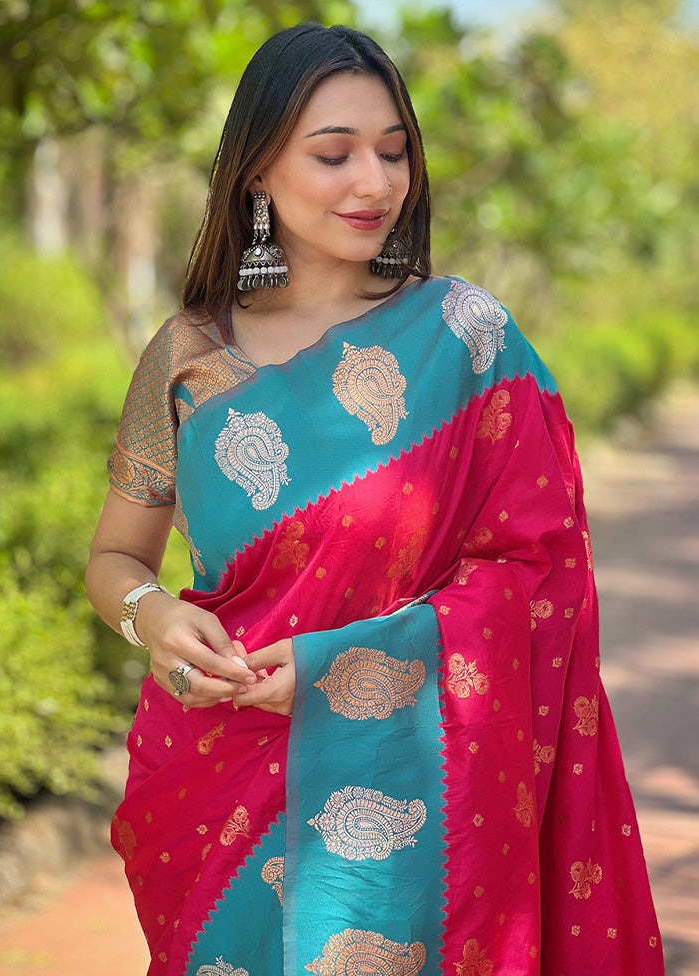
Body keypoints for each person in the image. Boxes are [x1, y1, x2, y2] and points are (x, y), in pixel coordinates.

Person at [85, 21, 664, 976]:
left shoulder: (465, 341)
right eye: (335, 153)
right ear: (256, 172)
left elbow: (537, 573)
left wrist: (338, 665)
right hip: (222, 771)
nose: (376, 182)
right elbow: (116, 558)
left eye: (394, 151)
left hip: (413, 791)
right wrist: (149, 619)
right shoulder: (188, 358)